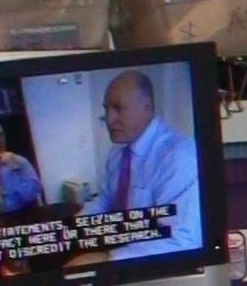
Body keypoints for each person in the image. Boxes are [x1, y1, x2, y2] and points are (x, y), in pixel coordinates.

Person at [85, 68, 200, 257]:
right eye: (106, 109)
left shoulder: (178, 157)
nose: (109, 119)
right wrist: (71, 232)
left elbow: (181, 241)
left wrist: (108, 259)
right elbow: (105, 199)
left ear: (147, 108)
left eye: (118, 108)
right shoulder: (117, 152)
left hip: (155, 266)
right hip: (118, 246)